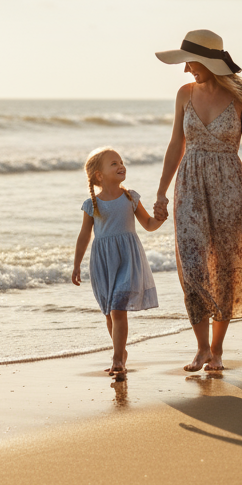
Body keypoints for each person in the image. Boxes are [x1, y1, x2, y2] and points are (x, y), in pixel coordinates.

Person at [152, 29, 242, 372]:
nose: (186, 70)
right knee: (191, 264)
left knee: (224, 268)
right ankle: (200, 347)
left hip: (231, 185)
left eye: (190, 62)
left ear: (208, 61)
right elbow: (176, 145)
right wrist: (161, 190)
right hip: (189, 184)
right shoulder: (184, 94)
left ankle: (216, 350)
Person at [72, 147, 164, 379]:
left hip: (128, 259)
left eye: (121, 161)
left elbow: (149, 224)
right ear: (99, 175)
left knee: (117, 308)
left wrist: (160, 218)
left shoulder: (130, 197)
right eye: (113, 163)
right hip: (103, 262)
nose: (120, 165)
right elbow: (84, 236)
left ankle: (115, 359)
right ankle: (120, 354)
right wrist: (76, 265)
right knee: (109, 312)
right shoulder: (92, 205)